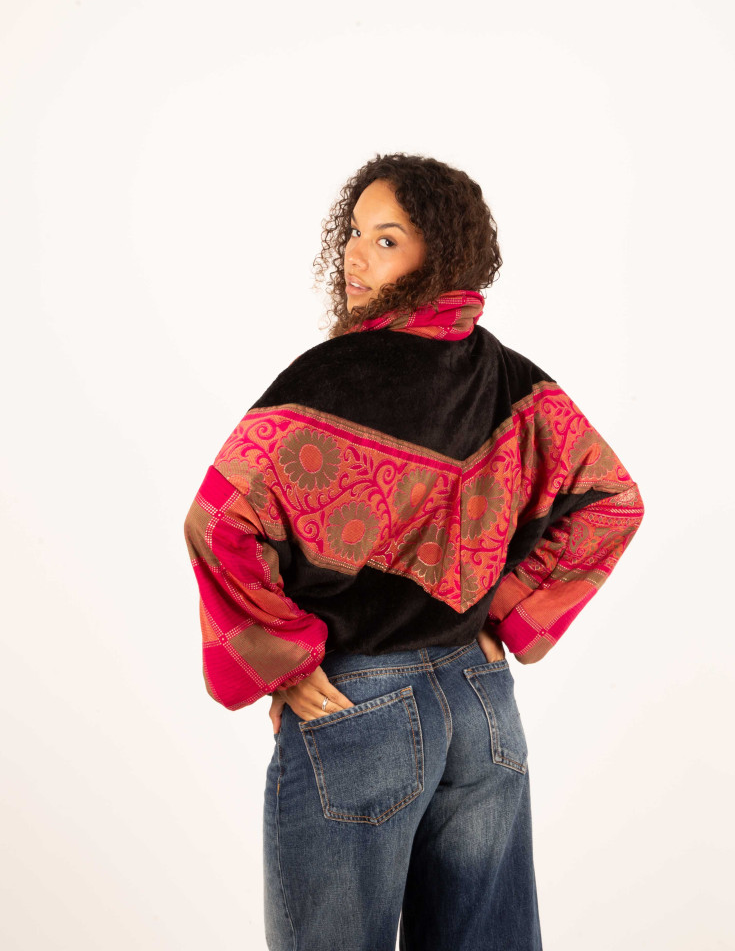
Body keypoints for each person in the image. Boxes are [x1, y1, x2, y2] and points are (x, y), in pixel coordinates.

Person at [182, 152, 645, 951]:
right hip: (482, 706)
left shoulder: (328, 381)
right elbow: (611, 498)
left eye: (387, 240)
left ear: (443, 255)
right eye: (356, 234)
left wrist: (282, 655)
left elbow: (218, 520)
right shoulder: (513, 382)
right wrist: (508, 615)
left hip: (357, 705)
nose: (356, 256)